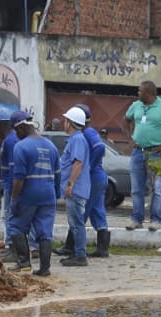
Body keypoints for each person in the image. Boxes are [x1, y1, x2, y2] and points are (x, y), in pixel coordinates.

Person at [123, 80, 161, 232]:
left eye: (140, 91)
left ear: (149, 93)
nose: (138, 94)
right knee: (136, 189)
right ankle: (136, 219)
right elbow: (126, 120)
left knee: (157, 188)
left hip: (156, 153)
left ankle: (155, 220)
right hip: (138, 152)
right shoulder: (136, 106)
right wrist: (129, 139)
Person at [7, 111, 60, 277]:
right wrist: (56, 193)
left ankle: (23, 263)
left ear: (21, 127)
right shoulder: (51, 146)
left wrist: (14, 199)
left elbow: (19, 178)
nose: (17, 135)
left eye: (16, 131)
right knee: (45, 231)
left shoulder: (21, 147)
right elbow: (58, 174)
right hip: (48, 194)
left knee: (16, 226)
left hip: (29, 194)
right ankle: (45, 268)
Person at [57, 103, 111, 259]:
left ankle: (72, 248)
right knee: (97, 211)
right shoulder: (83, 134)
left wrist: (88, 167)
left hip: (92, 177)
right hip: (96, 178)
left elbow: (100, 148)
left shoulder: (86, 133)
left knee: (80, 213)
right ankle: (102, 248)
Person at [57, 106, 91, 267]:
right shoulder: (77, 139)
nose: (64, 123)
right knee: (76, 223)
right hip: (76, 188)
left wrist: (70, 184)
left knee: (76, 223)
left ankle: (80, 255)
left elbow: (78, 163)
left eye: (65, 120)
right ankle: (77, 253)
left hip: (76, 189)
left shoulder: (77, 139)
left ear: (70, 123)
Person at [0, 108, 19, 261]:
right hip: (8, 183)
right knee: (9, 216)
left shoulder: (10, 141)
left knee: (10, 216)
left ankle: (12, 249)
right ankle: (10, 247)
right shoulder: (8, 140)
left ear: (0, 125)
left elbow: (14, 167)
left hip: (11, 185)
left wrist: (10, 187)